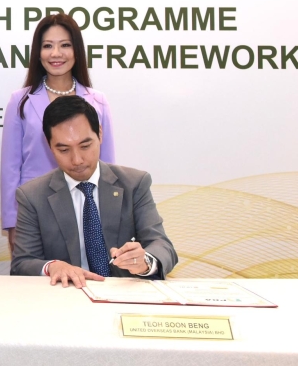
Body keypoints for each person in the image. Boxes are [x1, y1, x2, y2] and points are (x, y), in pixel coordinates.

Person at [10, 95, 176, 287]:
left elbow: (162, 245)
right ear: (49, 146)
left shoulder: (134, 183)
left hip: (124, 293)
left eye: (85, 145)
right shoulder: (32, 196)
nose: (77, 159)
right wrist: (52, 266)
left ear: (100, 134)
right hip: (65, 298)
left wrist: (145, 261)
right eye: (64, 150)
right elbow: (22, 264)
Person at [1, 13, 115, 255]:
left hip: (87, 208)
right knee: (40, 282)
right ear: (38, 52)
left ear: (76, 51)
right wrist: (12, 221)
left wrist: (111, 214)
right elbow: (11, 167)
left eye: (64, 45)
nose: (56, 54)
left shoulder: (98, 102)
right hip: (35, 210)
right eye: (47, 46)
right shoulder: (19, 101)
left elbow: (108, 164)